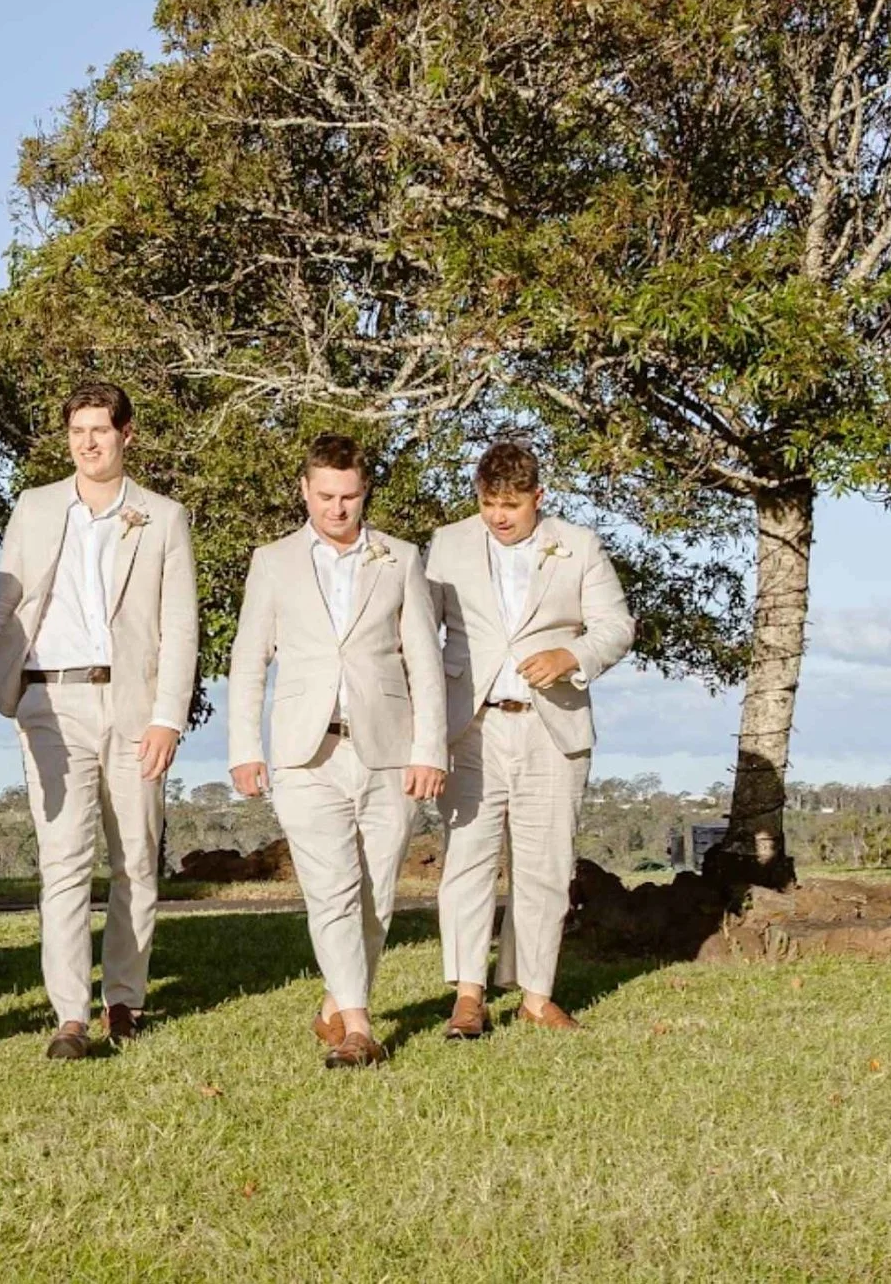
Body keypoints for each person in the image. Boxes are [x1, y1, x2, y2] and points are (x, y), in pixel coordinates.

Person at [0, 383, 196, 1058]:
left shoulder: (162, 516)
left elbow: (179, 629)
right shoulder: (35, 508)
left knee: (136, 860)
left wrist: (167, 718)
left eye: (100, 429)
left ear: (127, 434)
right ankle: (70, 1013)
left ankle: (124, 998)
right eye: (77, 430)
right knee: (63, 862)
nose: (87, 442)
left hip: (131, 703)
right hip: (48, 701)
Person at [225, 433, 445, 1068]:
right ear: (304, 489)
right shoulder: (272, 561)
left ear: (364, 491)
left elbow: (425, 664)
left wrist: (429, 748)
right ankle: (358, 1026)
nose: (337, 509)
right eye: (325, 496)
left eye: (348, 497)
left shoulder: (399, 558)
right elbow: (248, 662)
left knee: (375, 894)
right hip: (303, 752)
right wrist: (245, 745)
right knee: (330, 890)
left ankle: (336, 1005)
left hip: (388, 749)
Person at [424, 442, 634, 1036]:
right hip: (471, 725)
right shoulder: (447, 545)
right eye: (489, 503)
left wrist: (572, 653)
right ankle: (468, 995)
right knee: (468, 859)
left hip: (553, 726)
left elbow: (618, 625)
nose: (498, 516)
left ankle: (537, 995)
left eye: (511, 505)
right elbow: (419, 631)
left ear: (539, 498)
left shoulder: (581, 545)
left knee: (546, 865)